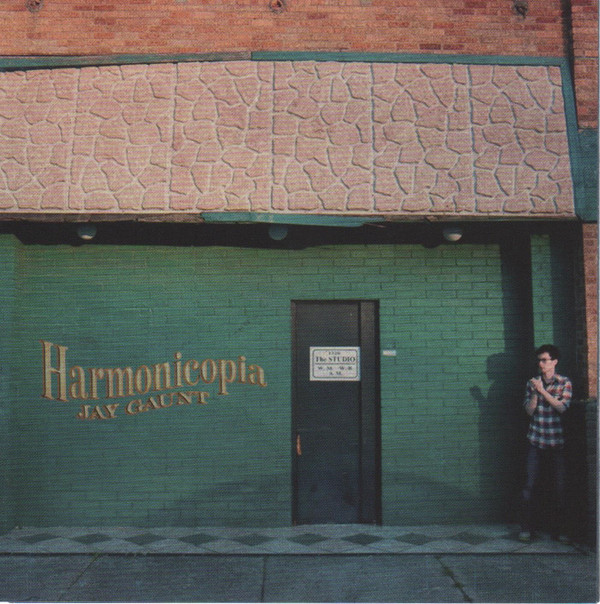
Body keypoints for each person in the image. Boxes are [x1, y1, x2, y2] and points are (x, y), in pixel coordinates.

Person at [518, 344, 572, 543]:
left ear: (554, 362)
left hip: (557, 444)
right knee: (529, 486)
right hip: (536, 441)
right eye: (539, 360)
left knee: (559, 488)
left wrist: (543, 391)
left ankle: (561, 531)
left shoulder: (564, 383)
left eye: (544, 360)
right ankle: (526, 529)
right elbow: (529, 411)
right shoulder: (532, 383)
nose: (541, 364)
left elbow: (562, 408)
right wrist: (535, 392)